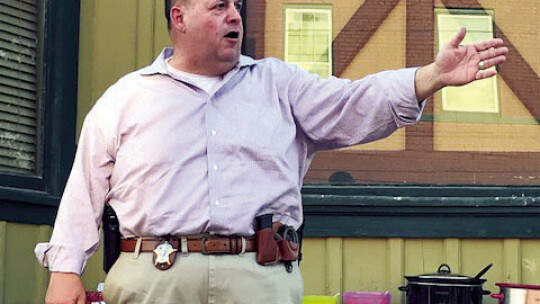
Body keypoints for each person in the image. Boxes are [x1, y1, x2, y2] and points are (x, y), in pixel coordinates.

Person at [35, 0, 508, 303]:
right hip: (152, 279)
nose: (235, 16)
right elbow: (85, 188)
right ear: (178, 16)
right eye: (219, 6)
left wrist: (428, 77)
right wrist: (64, 270)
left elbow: (352, 103)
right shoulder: (126, 97)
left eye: (236, 7)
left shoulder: (279, 85)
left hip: (258, 279)